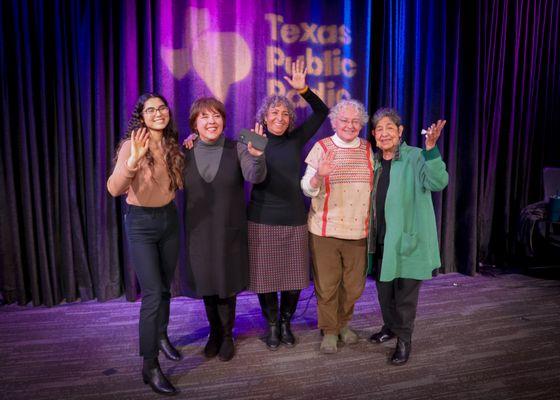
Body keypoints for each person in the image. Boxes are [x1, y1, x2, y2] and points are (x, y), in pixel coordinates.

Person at [248, 60, 329, 350]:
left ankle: (285, 322)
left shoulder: (296, 139)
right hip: (261, 219)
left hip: (294, 217)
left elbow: (322, 112)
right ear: (264, 117)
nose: (280, 117)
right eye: (274, 112)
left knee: (294, 278)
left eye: (285, 113)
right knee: (266, 279)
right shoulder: (254, 140)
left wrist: (304, 90)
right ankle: (271, 325)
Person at [107, 93, 184, 396]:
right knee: (152, 293)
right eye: (150, 110)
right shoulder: (132, 144)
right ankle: (149, 365)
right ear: (141, 116)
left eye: (162, 108)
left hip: (168, 220)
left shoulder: (172, 143)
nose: (158, 113)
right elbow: (113, 188)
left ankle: (162, 336)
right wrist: (132, 160)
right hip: (140, 223)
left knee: (165, 286)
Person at [183, 97, 266, 362]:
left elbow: (255, 176)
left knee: (226, 285)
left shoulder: (238, 147)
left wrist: (258, 156)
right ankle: (214, 333)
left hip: (229, 230)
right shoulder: (184, 151)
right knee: (207, 283)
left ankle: (228, 335)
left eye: (216, 116)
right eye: (204, 116)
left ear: (223, 121)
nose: (211, 121)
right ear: (195, 124)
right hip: (199, 232)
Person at [367, 107, 448, 365]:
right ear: (373, 135)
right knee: (384, 292)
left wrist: (432, 149)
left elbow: (438, 182)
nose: (384, 133)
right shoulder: (375, 161)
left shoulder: (415, 156)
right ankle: (390, 327)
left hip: (407, 241)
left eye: (390, 127)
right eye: (379, 129)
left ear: (400, 131)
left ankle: (404, 340)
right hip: (381, 240)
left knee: (404, 297)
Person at [301, 99, 373, 354]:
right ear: (334, 122)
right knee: (328, 285)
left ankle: (344, 323)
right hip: (325, 230)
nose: (350, 125)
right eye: (344, 120)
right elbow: (307, 188)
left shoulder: (367, 149)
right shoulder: (321, 148)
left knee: (353, 286)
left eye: (355, 121)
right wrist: (319, 174)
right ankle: (331, 330)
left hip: (358, 231)